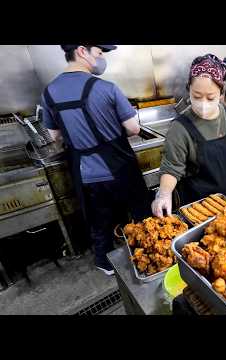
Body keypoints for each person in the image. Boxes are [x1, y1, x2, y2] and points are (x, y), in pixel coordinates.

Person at [41, 45, 151, 276]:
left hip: (85, 173)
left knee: (97, 219)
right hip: (120, 169)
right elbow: (133, 128)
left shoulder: (49, 92)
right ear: (82, 51)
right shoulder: (107, 88)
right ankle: (148, 256)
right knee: (140, 213)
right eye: (100, 53)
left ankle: (104, 261)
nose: (102, 58)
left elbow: (54, 136)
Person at [151, 54, 226, 217]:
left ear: (221, 93)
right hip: (198, 209)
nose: (203, 103)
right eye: (196, 96)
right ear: (189, 89)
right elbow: (171, 167)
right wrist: (164, 194)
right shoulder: (180, 128)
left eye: (210, 97)